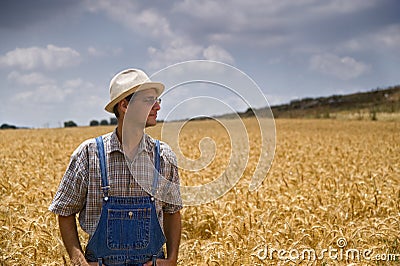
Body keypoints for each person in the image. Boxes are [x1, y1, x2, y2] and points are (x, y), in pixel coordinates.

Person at [49, 69, 182, 266]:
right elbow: (65, 211)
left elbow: (172, 212)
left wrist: (172, 260)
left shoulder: (163, 157)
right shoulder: (88, 154)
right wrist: (80, 262)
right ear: (124, 105)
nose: (157, 107)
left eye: (158, 100)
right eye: (148, 100)